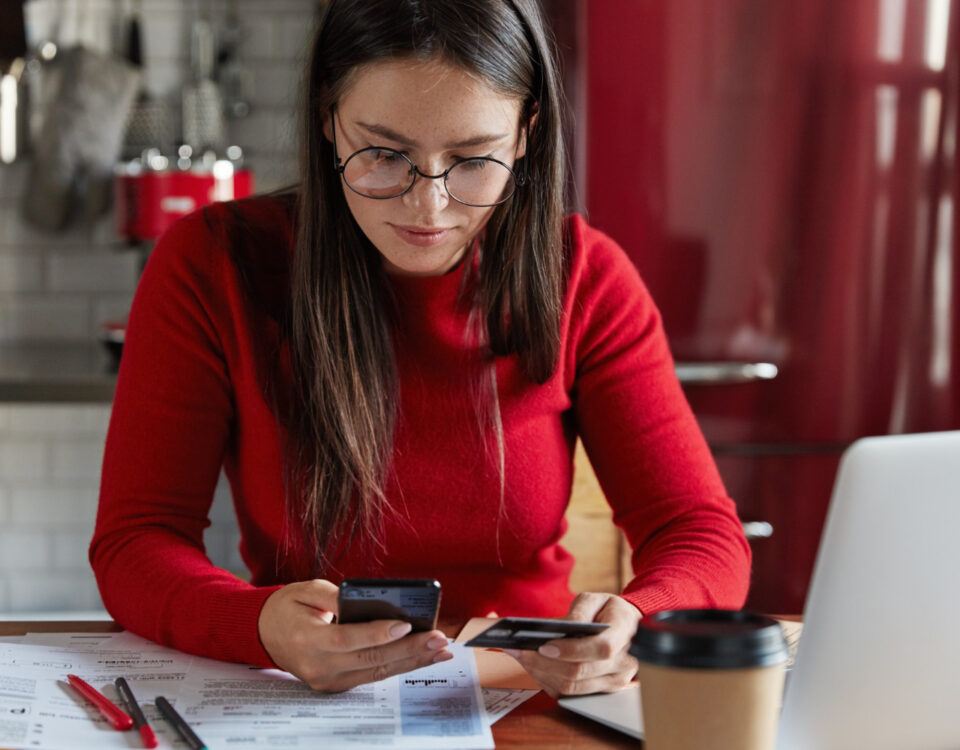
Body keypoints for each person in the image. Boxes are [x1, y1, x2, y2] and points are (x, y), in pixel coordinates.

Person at [90, 0, 750, 697]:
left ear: (525, 135)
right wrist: (258, 625)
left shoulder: (585, 276)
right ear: (327, 120)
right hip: (306, 700)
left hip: (524, 700)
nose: (427, 207)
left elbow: (698, 531)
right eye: (383, 154)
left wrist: (641, 621)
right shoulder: (210, 263)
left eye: (472, 160)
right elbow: (136, 542)